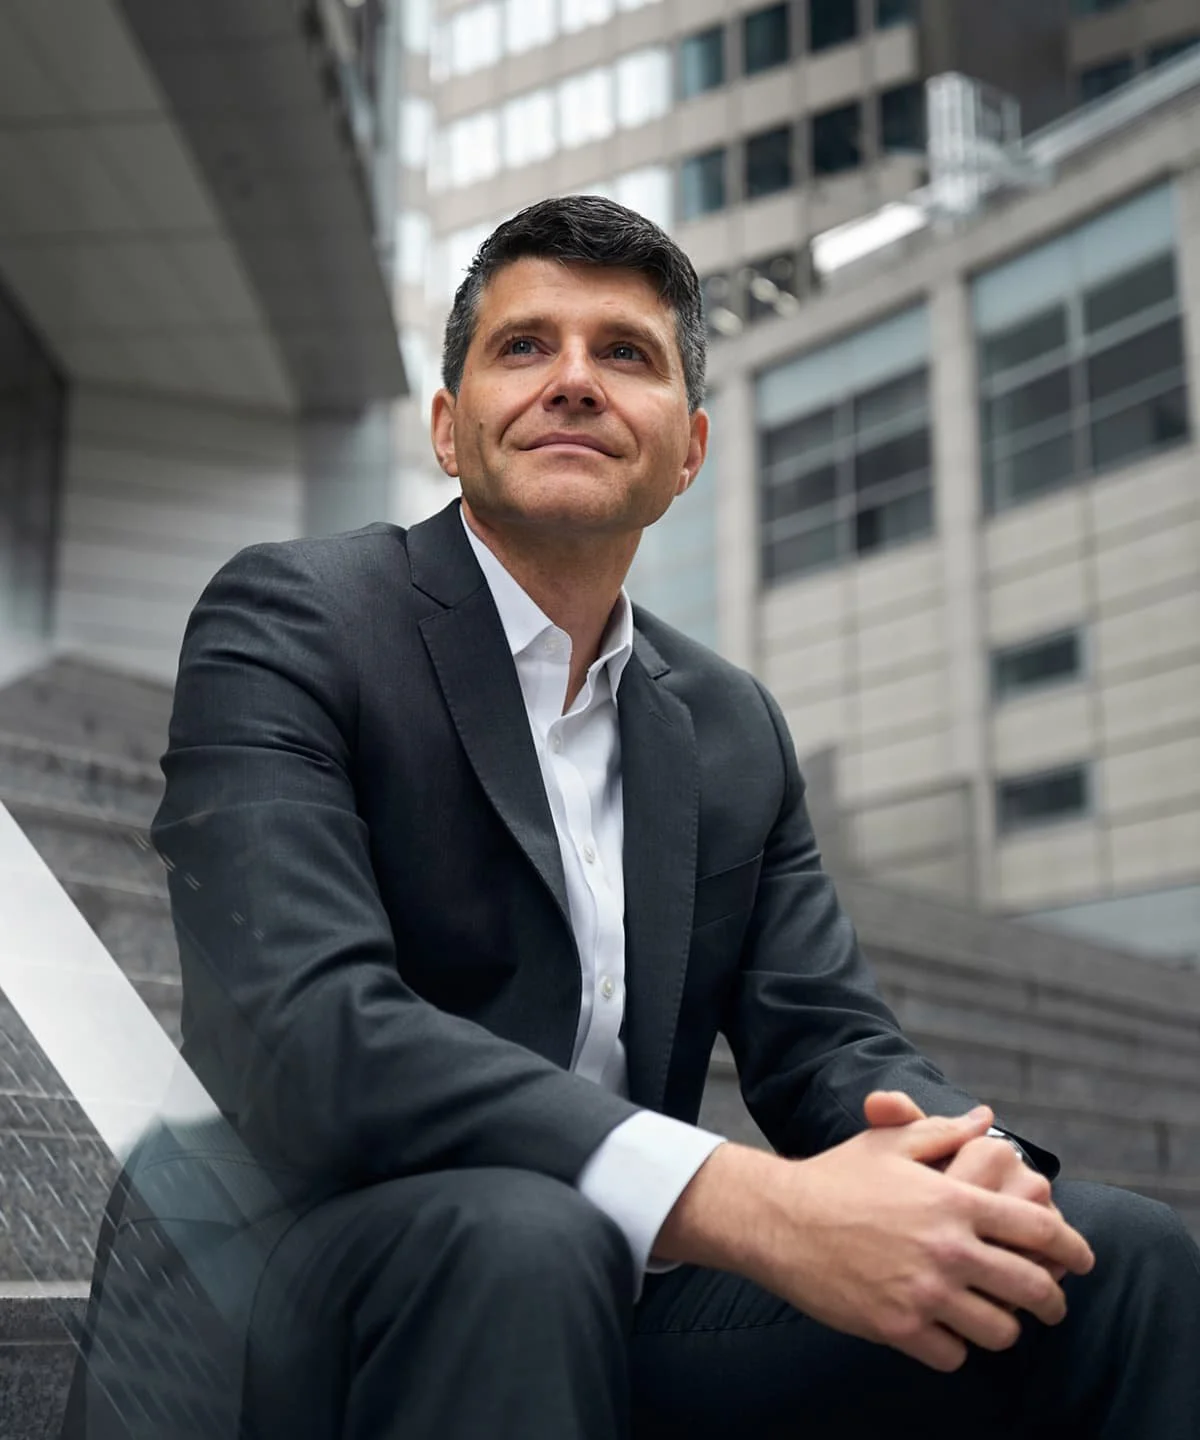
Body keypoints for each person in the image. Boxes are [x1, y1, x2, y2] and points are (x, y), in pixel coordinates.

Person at [64, 196, 1200, 1440]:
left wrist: (963, 1168)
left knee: (1106, 1259)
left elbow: (828, 1042)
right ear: (449, 430)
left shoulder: (728, 726)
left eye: (625, 353)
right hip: (289, 1288)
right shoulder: (295, 620)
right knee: (522, 1237)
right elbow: (312, 1034)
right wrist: (749, 1202)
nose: (573, 382)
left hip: (617, 1296)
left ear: (689, 447)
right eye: (522, 347)